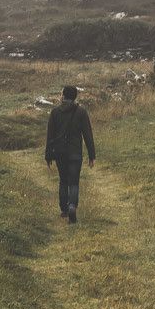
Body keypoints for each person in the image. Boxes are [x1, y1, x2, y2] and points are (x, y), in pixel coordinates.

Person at [45, 85, 95, 223]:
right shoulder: (81, 112)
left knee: (63, 181)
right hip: (75, 153)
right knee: (74, 182)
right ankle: (72, 205)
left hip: (60, 153)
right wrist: (92, 155)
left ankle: (64, 210)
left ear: (63, 96)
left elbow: (50, 136)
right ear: (75, 97)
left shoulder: (55, 112)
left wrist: (48, 155)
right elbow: (88, 135)